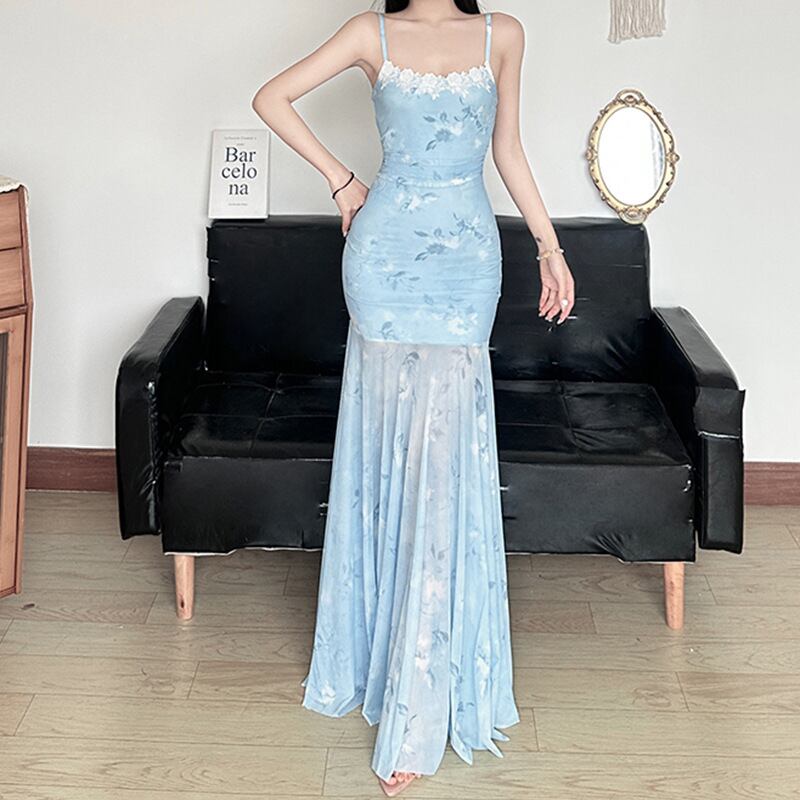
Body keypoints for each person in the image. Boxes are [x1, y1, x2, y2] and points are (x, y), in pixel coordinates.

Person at [251, 1, 575, 794]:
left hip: (466, 267)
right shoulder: (370, 32)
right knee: (386, 458)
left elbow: (507, 150)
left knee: (441, 471)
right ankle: (384, 670)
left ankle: (422, 700)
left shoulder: (503, 34)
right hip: (384, 259)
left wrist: (550, 247)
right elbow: (270, 97)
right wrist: (341, 181)